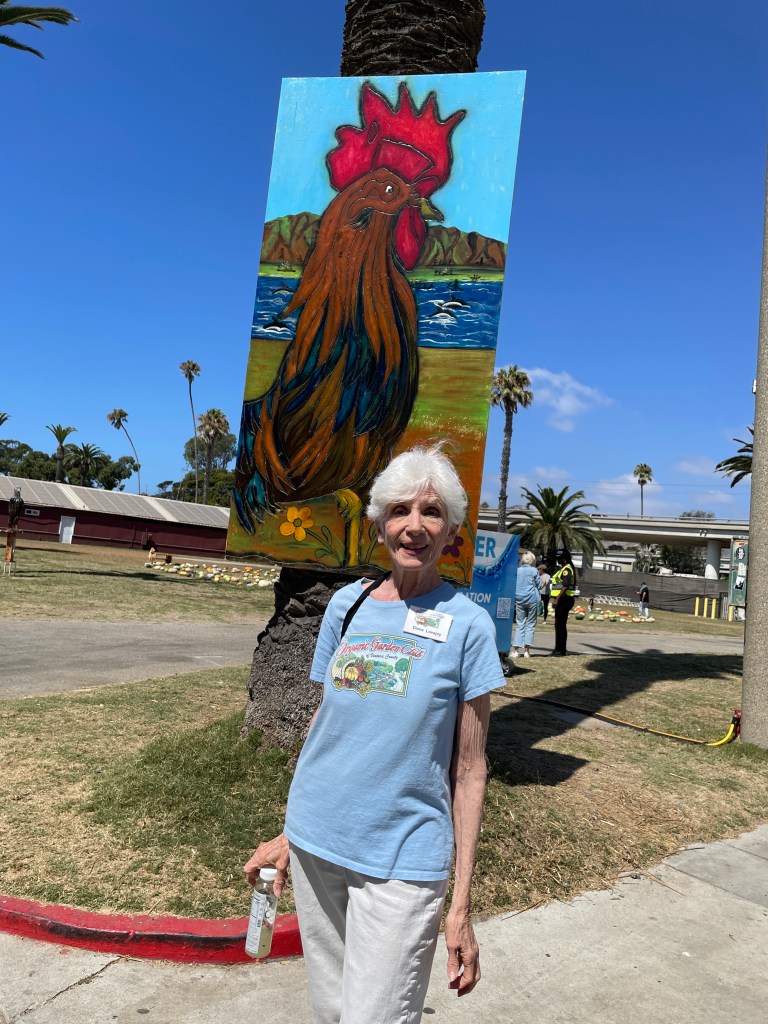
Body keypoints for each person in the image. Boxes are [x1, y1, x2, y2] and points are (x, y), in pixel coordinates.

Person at [243, 444, 504, 1024]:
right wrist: (289, 833)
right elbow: (326, 725)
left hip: (403, 858)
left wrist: (460, 906)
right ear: (379, 525)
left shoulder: (469, 627)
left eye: (432, 512)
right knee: (330, 1009)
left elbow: (469, 769)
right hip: (316, 843)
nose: (415, 525)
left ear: (452, 531)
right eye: (400, 510)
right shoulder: (347, 605)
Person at [512, 551, 541, 658]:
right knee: (530, 624)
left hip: (519, 599)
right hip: (531, 599)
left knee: (520, 624)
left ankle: (516, 651)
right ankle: (526, 651)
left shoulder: (517, 570)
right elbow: (539, 585)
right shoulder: (534, 570)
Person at [550, 547, 576, 656]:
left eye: (559, 558)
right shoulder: (565, 568)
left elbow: (565, 586)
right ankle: (560, 649)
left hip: (564, 599)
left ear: (564, 558)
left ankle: (559, 650)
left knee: (560, 625)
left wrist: (557, 599)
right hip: (563, 599)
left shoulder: (566, 569)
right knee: (559, 625)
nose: (558, 560)